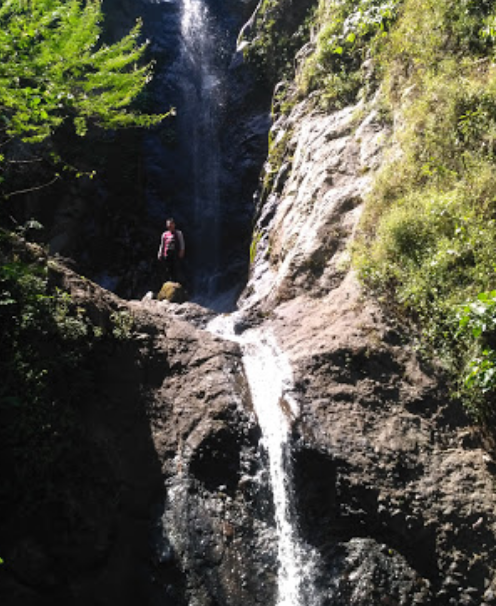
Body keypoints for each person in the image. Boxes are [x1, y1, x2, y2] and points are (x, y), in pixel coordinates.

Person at [157, 218, 185, 283]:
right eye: (168, 225)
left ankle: (175, 281)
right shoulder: (164, 234)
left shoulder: (178, 233)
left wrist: (182, 250)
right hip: (167, 253)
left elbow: (182, 242)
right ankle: (169, 281)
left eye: (170, 224)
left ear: (174, 225)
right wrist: (160, 253)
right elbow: (162, 244)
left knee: (176, 267)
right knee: (168, 268)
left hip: (175, 253)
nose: (169, 226)